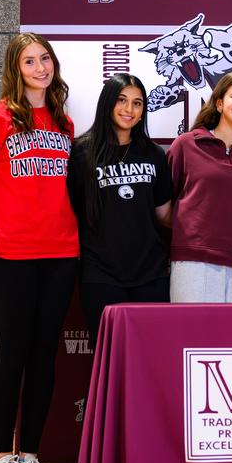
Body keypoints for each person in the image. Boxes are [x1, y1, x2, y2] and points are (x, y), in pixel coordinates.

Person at [0, 32, 78, 463]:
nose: (40, 67)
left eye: (45, 58)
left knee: (44, 358)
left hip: (61, 253)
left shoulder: (63, 123)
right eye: (30, 61)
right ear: (16, 68)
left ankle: (29, 455)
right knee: (11, 355)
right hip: (8, 254)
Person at [66, 73, 172, 346]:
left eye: (138, 103)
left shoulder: (154, 154)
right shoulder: (81, 153)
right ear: (107, 103)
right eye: (122, 100)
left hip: (151, 274)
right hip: (101, 274)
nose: (129, 109)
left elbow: (164, 215)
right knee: (109, 355)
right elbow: (66, 209)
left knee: (149, 355)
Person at [167, 71, 232, 302]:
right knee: (193, 336)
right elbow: (166, 206)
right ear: (219, 102)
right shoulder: (187, 144)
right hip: (194, 260)